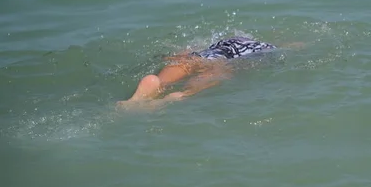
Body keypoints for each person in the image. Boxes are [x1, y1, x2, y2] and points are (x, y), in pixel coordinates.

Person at [116, 36, 278, 111]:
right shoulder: (266, 48)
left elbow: (187, 51)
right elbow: (247, 65)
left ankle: (152, 86)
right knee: (214, 75)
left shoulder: (228, 40)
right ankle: (182, 94)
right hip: (221, 61)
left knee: (184, 62)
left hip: (201, 55)